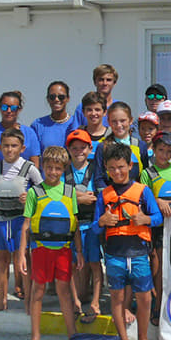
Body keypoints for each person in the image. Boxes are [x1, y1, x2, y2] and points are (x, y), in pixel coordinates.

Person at [93, 143, 162, 340]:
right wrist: (103, 221)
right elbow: (95, 227)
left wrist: (146, 219)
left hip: (140, 254)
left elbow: (158, 217)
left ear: (130, 165)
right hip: (115, 255)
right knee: (117, 299)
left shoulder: (143, 191)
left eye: (121, 167)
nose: (117, 172)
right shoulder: (105, 194)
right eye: (112, 168)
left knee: (145, 299)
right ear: (105, 167)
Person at [0, 90, 41, 302]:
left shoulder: (29, 133)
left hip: (21, 199)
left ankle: (20, 285)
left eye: (13, 107)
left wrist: (25, 193)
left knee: (21, 241)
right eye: (5, 106)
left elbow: (34, 165)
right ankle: (1, 286)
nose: (9, 111)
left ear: (20, 109)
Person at [16, 146, 83, 340]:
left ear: (64, 169)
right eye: (49, 167)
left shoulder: (70, 191)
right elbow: (26, 225)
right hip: (41, 250)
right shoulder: (35, 192)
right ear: (43, 167)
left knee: (64, 292)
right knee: (38, 292)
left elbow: (76, 225)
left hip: (63, 249)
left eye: (57, 168)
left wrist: (78, 252)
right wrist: (21, 254)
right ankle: (35, 336)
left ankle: (72, 335)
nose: (53, 172)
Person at [0, 127, 43, 315]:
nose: (10, 150)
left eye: (14, 146)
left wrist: (30, 195)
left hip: (20, 219)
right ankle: (2, 299)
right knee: (2, 258)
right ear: (0, 147)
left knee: (22, 257)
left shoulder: (29, 168)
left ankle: (28, 300)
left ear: (22, 148)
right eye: (6, 146)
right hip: (0, 218)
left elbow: (43, 191)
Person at [140, 131, 171, 325]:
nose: (164, 155)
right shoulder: (147, 173)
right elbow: (142, 199)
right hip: (157, 225)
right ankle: (156, 305)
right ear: (154, 150)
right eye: (161, 150)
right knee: (156, 265)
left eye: (168, 151)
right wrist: (157, 201)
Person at [63, 129, 102, 324]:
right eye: (74, 147)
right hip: (72, 226)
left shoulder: (95, 169)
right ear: (68, 149)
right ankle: (76, 300)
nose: (79, 151)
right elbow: (60, 196)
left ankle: (95, 301)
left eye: (83, 147)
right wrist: (80, 197)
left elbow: (97, 196)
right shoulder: (64, 171)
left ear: (89, 148)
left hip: (92, 225)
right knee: (72, 265)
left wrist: (74, 197)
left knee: (94, 264)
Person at [93, 102, 146, 190]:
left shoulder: (140, 145)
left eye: (122, 121)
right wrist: (110, 198)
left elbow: (145, 175)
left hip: (135, 198)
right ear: (108, 122)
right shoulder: (103, 147)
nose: (118, 125)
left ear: (130, 120)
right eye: (114, 121)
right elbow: (99, 178)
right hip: (111, 198)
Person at [30, 81, 80, 153]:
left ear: (68, 99)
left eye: (61, 97)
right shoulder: (38, 125)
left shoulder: (76, 123)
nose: (56, 100)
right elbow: (34, 155)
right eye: (52, 97)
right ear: (48, 99)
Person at [77, 92, 111, 162]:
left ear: (104, 112)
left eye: (97, 110)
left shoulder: (112, 136)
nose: (93, 113)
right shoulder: (77, 135)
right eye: (89, 110)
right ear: (83, 112)